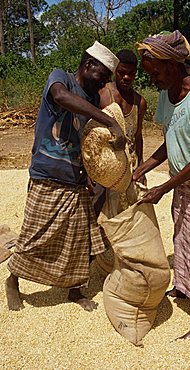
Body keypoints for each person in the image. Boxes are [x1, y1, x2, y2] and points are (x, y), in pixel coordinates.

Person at [5, 41, 126, 312]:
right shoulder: (61, 78)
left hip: (74, 179)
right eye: (102, 77)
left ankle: (74, 289)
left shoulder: (94, 99)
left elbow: (86, 140)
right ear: (88, 65)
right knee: (35, 235)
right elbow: (60, 98)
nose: (103, 84)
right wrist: (109, 121)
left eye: (107, 80)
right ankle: (13, 280)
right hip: (46, 173)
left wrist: (92, 171)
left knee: (78, 239)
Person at [134, 30, 190, 339]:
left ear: (172, 66)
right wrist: (144, 167)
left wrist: (163, 188)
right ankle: (183, 289)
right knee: (182, 239)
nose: (153, 80)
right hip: (182, 183)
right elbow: (169, 140)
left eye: (156, 73)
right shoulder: (166, 95)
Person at [93, 49, 147, 219]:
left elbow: (137, 136)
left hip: (130, 167)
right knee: (103, 216)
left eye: (131, 74)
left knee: (130, 215)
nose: (126, 78)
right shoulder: (102, 95)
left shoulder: (139, 102)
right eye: (122, 73)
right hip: (108, 166)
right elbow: (91, 134)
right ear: (115, 70)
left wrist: (142, 167)